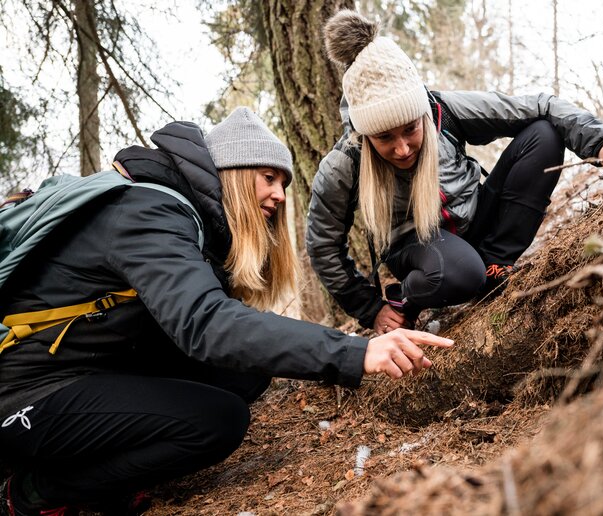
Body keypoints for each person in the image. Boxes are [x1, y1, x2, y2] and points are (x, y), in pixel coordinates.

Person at [0, 107, 451, 516]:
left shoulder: (187, 220)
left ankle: (101, 463)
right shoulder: (147, 211)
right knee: (218, 421)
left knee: (243, 375)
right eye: (268, 178)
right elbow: (206, 323)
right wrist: (354, 353)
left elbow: (214, 326)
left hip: (85, 367)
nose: (278, 195)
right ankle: (33, 494)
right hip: (25, 394)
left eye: (283, 183)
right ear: (232, 173)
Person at [307, 10, 603, 335]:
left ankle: (495, 265)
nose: (402, 148)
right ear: (367, 135)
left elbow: (540, 105)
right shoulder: (345, 163)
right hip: (419, 245)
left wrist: (598, 143)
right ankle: (411, 296)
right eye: (384, 138)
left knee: (543, 134)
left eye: (410, 129)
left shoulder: (445, 111)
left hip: (475, 218)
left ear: (423, 114)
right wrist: (370, 307)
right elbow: (323, 244)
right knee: (460, 273)